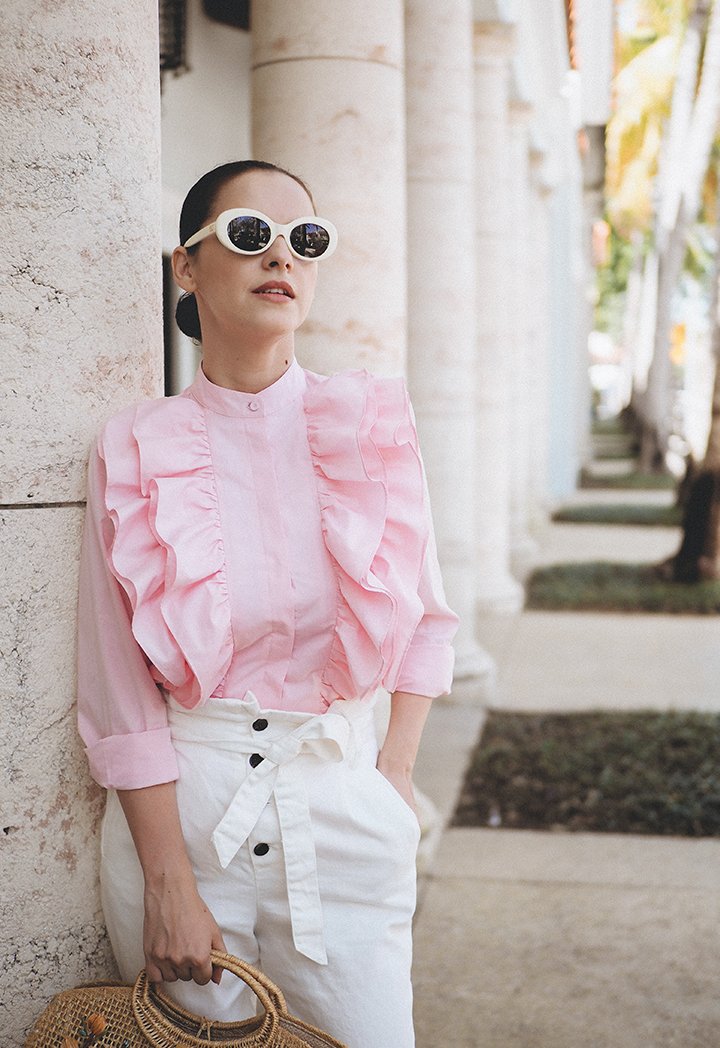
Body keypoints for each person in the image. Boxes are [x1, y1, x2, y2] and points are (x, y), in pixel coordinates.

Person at [77, 159, 459, 1048]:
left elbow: (425, 621)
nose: (279, 256)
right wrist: (168, 885)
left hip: (344, 802)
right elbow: (116, 690)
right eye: (249, 234)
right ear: (187, 266)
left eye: (306, 241)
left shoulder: (370, 428)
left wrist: (392, 777)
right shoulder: (135, 445)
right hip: (187, 823)